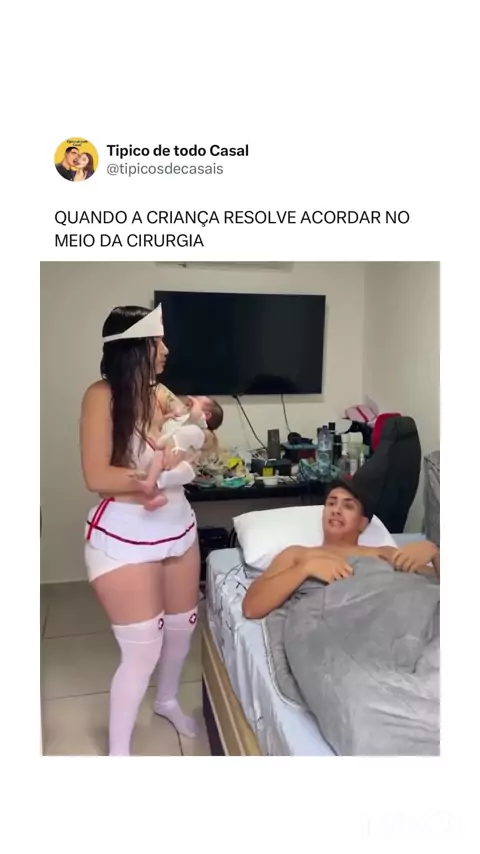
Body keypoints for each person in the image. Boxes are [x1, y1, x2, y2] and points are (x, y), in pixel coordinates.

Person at [80, 303, 207, 756]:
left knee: (181, 628)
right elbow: (97, 476)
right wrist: (152, 479)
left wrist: (190, 444)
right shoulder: (102, 395)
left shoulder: (160, 392)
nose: (166, 350)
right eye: (158, 341)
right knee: (142, 650)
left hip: (178, 527)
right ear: (135, 347)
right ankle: (120, 752)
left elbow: (199, 438)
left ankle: (168, 700)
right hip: (124, 536)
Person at [242, 479, 439, 620]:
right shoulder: (298, 554)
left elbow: (436, 590)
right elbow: (251, 607)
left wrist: (436, 554)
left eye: (348, 506)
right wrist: (305, 568)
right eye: (331, 503)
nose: (336, 510)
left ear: (362, 523)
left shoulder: (384, 554)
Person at [137, 395, 224, 509]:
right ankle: (155, 492)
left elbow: (188, 429)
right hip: (168, 452)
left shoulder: (198, 427)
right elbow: (168, 427)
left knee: (160, 462)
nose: (192, 399)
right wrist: (169, 417)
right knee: (159, 466)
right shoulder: (184, 418)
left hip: (178, 458)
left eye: (198, 401)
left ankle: (151, 483)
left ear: (205, 415)